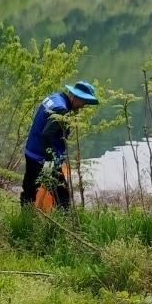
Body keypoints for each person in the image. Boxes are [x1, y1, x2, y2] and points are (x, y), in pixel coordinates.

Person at [20, 81, 98, 210]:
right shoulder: (61, 109)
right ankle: (63, 219)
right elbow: (46, 135)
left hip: (32, 151)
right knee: (61, 193)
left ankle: (26, 217)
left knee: (31, 187)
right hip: (43, 158)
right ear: (75, 97)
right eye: (83, 102)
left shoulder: (54, 98)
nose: (83, 106)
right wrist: (52, 160)